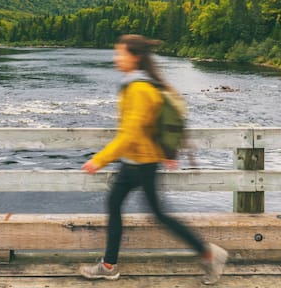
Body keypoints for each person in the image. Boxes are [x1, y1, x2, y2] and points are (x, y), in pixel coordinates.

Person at [79, 34, 228, 285]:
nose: (116, 58)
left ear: (135, 57)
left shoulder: (138, 88)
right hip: (137, 161)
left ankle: (209, 253)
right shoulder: (141, 84)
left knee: (154, 213)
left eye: (121, 53)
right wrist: (165, 154)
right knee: (127, 207)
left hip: (141, 163)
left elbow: (130, 133)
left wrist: (99, 160)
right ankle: (109, 265)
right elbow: (147, 128)